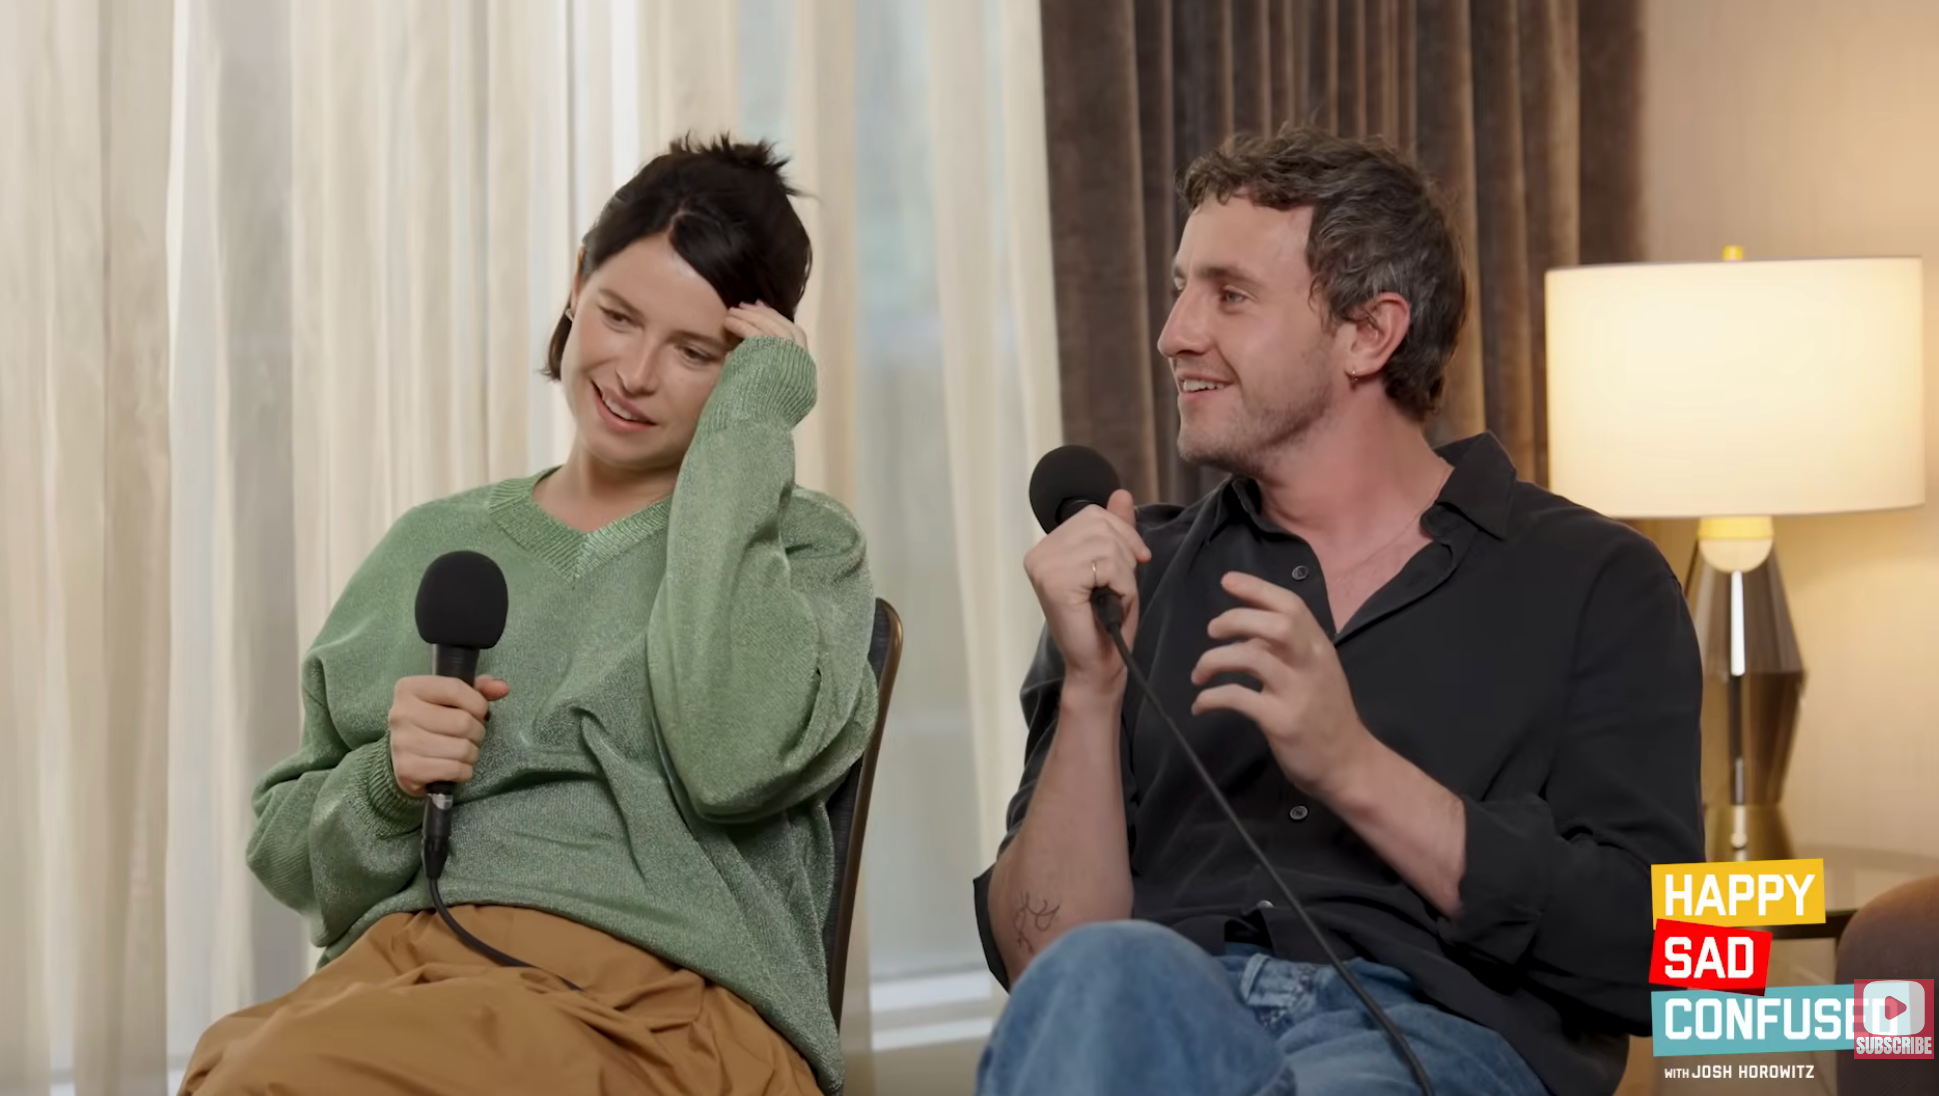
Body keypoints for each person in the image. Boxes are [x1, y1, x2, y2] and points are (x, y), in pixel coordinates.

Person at [971, 126, 1702, 1096]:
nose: (1175, 332)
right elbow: (1045, 963)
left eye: (1229, 294)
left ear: (1369, 333)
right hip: (1162, 1024)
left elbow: (1675, 957)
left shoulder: (1594, 580)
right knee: (1108, 968)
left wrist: (1354, 768)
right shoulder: (1131, 580)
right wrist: (1092, 690)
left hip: (1424, 1037)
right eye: (1182, 288)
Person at [181, 136, 879, 1096]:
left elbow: (734, 762)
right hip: (410, 978)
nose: (635, 374)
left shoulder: (802, 549)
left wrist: (748, 432)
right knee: (241, 1064)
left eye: (697, 353)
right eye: (619, 316)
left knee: (285, 1075)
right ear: (576, 282)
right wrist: (386, 782)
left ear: (753, 366)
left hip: (667, 1004)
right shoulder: (435, 543)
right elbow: (293, 860)